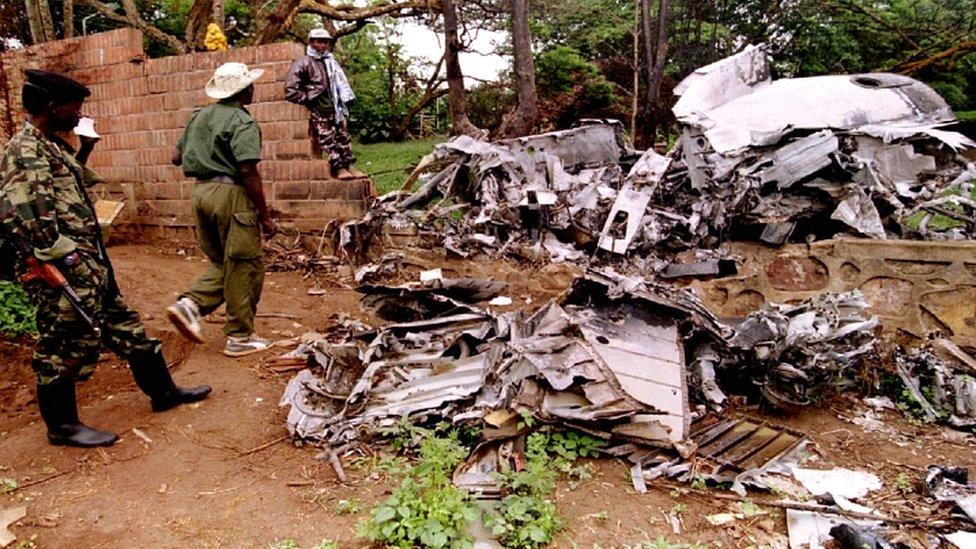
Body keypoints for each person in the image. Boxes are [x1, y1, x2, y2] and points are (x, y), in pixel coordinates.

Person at [0, 69, 212, 448]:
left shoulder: (50, 144)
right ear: (51, 107)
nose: (78, 114)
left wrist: (84, 149)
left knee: (125, 326)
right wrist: (65, 263)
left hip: (86, 263)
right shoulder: (26, 149)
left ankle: (164, 393)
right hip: (63, 268)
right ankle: (62, 427)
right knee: (64, 342)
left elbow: (74, 184)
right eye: (74, 107)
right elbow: (30, 213)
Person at [167, 62, 278, 358]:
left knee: (221, 263)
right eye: (251, 85)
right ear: (244, 89)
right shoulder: (242, 122)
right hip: (230, 195)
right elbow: (248, 170)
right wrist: (264, 215)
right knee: (244, 264)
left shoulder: (198, 117)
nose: (254, 89)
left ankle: (189, 306)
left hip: (200, 193)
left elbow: (176, 157)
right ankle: (240, 336)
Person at [284, 28, 365, 180]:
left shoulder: (331, 62)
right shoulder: (304, 62)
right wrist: (308, 98)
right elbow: (291, 90)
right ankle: (339, 168)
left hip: (336, 108)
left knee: (344, 137)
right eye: (320, 41)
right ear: (311, 42)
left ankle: (349, 165)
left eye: (326, 42)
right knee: (328, 139)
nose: (323, 45)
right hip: (320, 109)